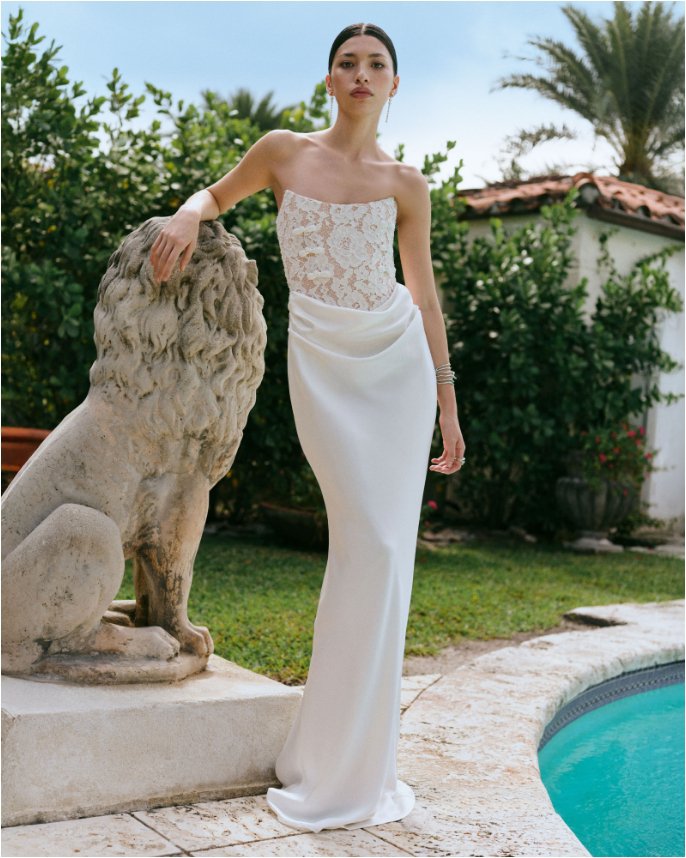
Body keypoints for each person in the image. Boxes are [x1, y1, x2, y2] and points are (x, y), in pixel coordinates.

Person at [150, 21, 466, 833]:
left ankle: (348, 762)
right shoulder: (284, 152)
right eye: (347, 63)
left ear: (394, 85)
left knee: (384, 551)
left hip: (396, 368)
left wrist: (448, 400)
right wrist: (189, 217)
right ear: (330, 80)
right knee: (365, 539)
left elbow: (423, 293)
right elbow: (215, 195)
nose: (361, 74)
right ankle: (328, 758)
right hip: (324, 365)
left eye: (377, 65)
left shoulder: (408, 184)